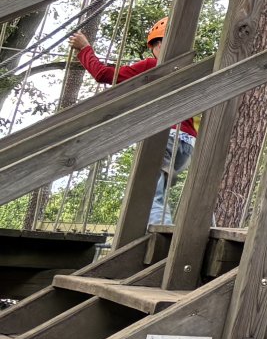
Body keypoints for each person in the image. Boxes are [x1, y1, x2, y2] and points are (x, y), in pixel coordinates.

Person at [70, 17, 194, 225]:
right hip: (187, 144)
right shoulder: (188, 70)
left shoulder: (152, 66)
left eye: (156, 45)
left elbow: (103, 74)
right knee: (161, 188)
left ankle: (159, 233)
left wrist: (85, 49)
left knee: (150, 192)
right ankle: (184, 227)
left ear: (159, 44)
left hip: (166, 136)